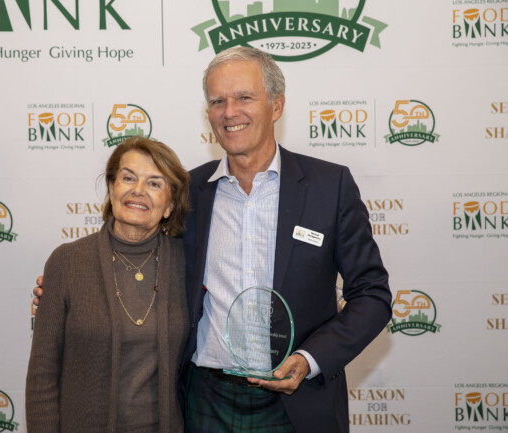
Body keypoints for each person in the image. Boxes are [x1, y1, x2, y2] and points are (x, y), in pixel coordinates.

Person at [35, 47, 392, 433]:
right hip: (204, 400)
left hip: (297, 404)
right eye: (218, 101)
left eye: (244, 97)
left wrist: (310, 358)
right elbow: (138, 256)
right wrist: (66, 286)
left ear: (276, 105)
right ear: (208, 114)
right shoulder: (189, 194)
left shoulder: (330, 187)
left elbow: (372, 295)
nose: (229, 111)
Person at [25, 136, 191, 433]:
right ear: (112, 188)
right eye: (128, 178)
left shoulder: (188, 264)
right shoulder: (67, 262)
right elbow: (42, 377)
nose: (138, 191)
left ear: (170, 205)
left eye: (154, 183)